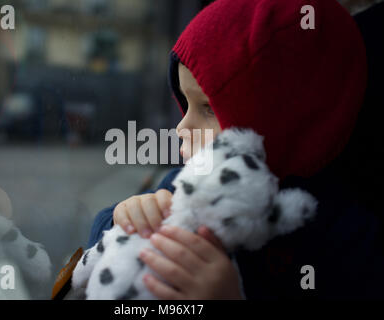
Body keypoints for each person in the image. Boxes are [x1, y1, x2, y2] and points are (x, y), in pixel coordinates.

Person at [86, 0, 384, 299]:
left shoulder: (340, 242)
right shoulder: (182, 187)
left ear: (282, 119)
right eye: (185, 104)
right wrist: (124, 217)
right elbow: (99, 245)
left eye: (208, 108)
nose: (181, 128)